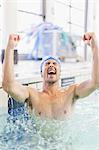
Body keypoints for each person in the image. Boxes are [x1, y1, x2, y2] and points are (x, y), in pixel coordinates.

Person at [2, 32, 99, 120]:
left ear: (60, 73)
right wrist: (10, 48)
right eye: (47, 64)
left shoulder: (71, 93)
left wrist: (94, 46)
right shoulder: (32, 95)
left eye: (54, 63)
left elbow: (96, 83)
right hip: (38, 140)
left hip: (64, 140)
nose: (51, 65)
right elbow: (8, 86)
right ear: (41, 73)